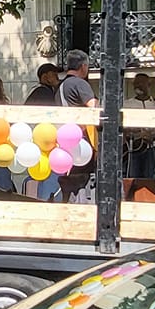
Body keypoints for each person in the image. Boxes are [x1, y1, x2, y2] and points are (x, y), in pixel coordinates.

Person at [57, 50, 97, 203]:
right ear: (84, 66)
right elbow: (93, 108)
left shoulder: (60, 87)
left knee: (69, 183)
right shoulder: (80, 83)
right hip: (83, 142)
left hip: (64, 141)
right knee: (85, 184)